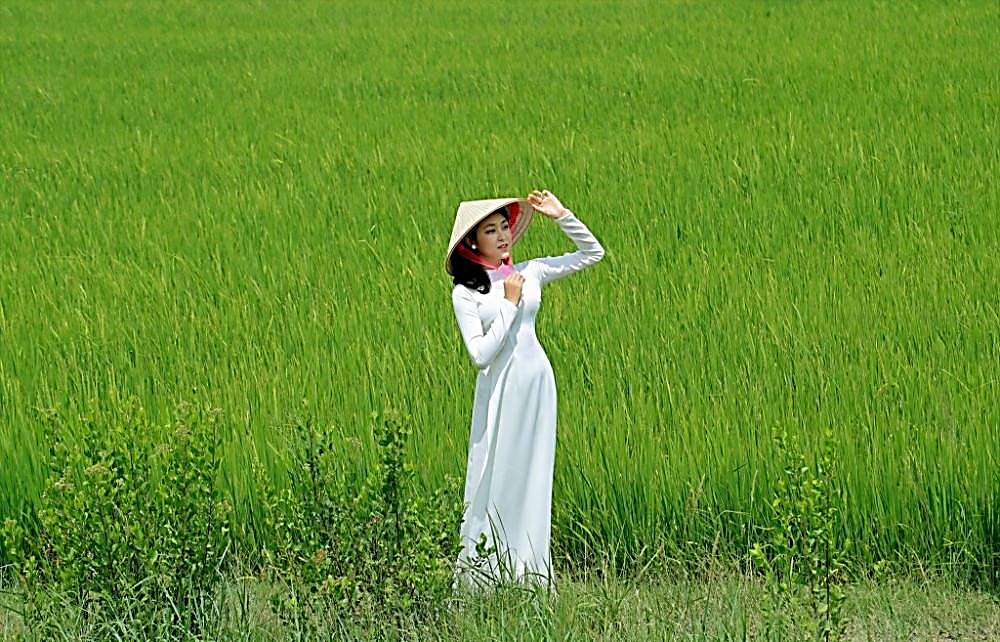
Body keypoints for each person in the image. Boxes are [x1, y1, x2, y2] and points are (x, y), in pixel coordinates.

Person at [445, 189, 605, 587]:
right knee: (495, 474)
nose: (502, 237)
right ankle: (484, 576)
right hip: (502, 390)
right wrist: (509, 304)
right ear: (471, 242)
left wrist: (562, 215)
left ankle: (530, 575)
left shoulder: (529, 272)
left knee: (534, 475)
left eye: (505, 228)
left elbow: (592, 253)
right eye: (491, 230)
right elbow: (481, 356)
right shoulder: (466, 293)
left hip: (536, 383)